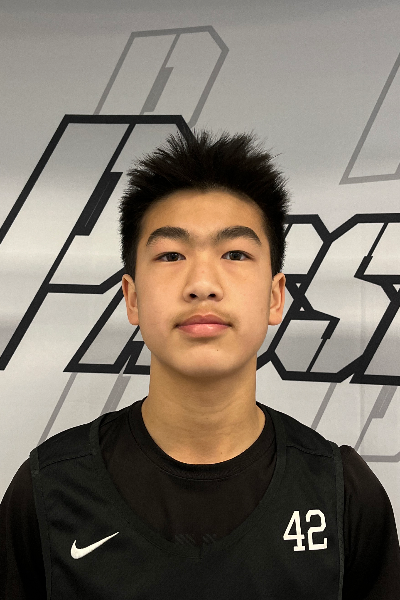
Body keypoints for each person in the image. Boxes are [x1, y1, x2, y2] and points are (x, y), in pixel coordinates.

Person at [1, 130, 399, 599]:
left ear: (275, 297)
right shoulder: (49, 490)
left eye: (235, 254)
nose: (203, 283)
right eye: (171, 255)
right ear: (132, 297)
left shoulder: (342, 494)